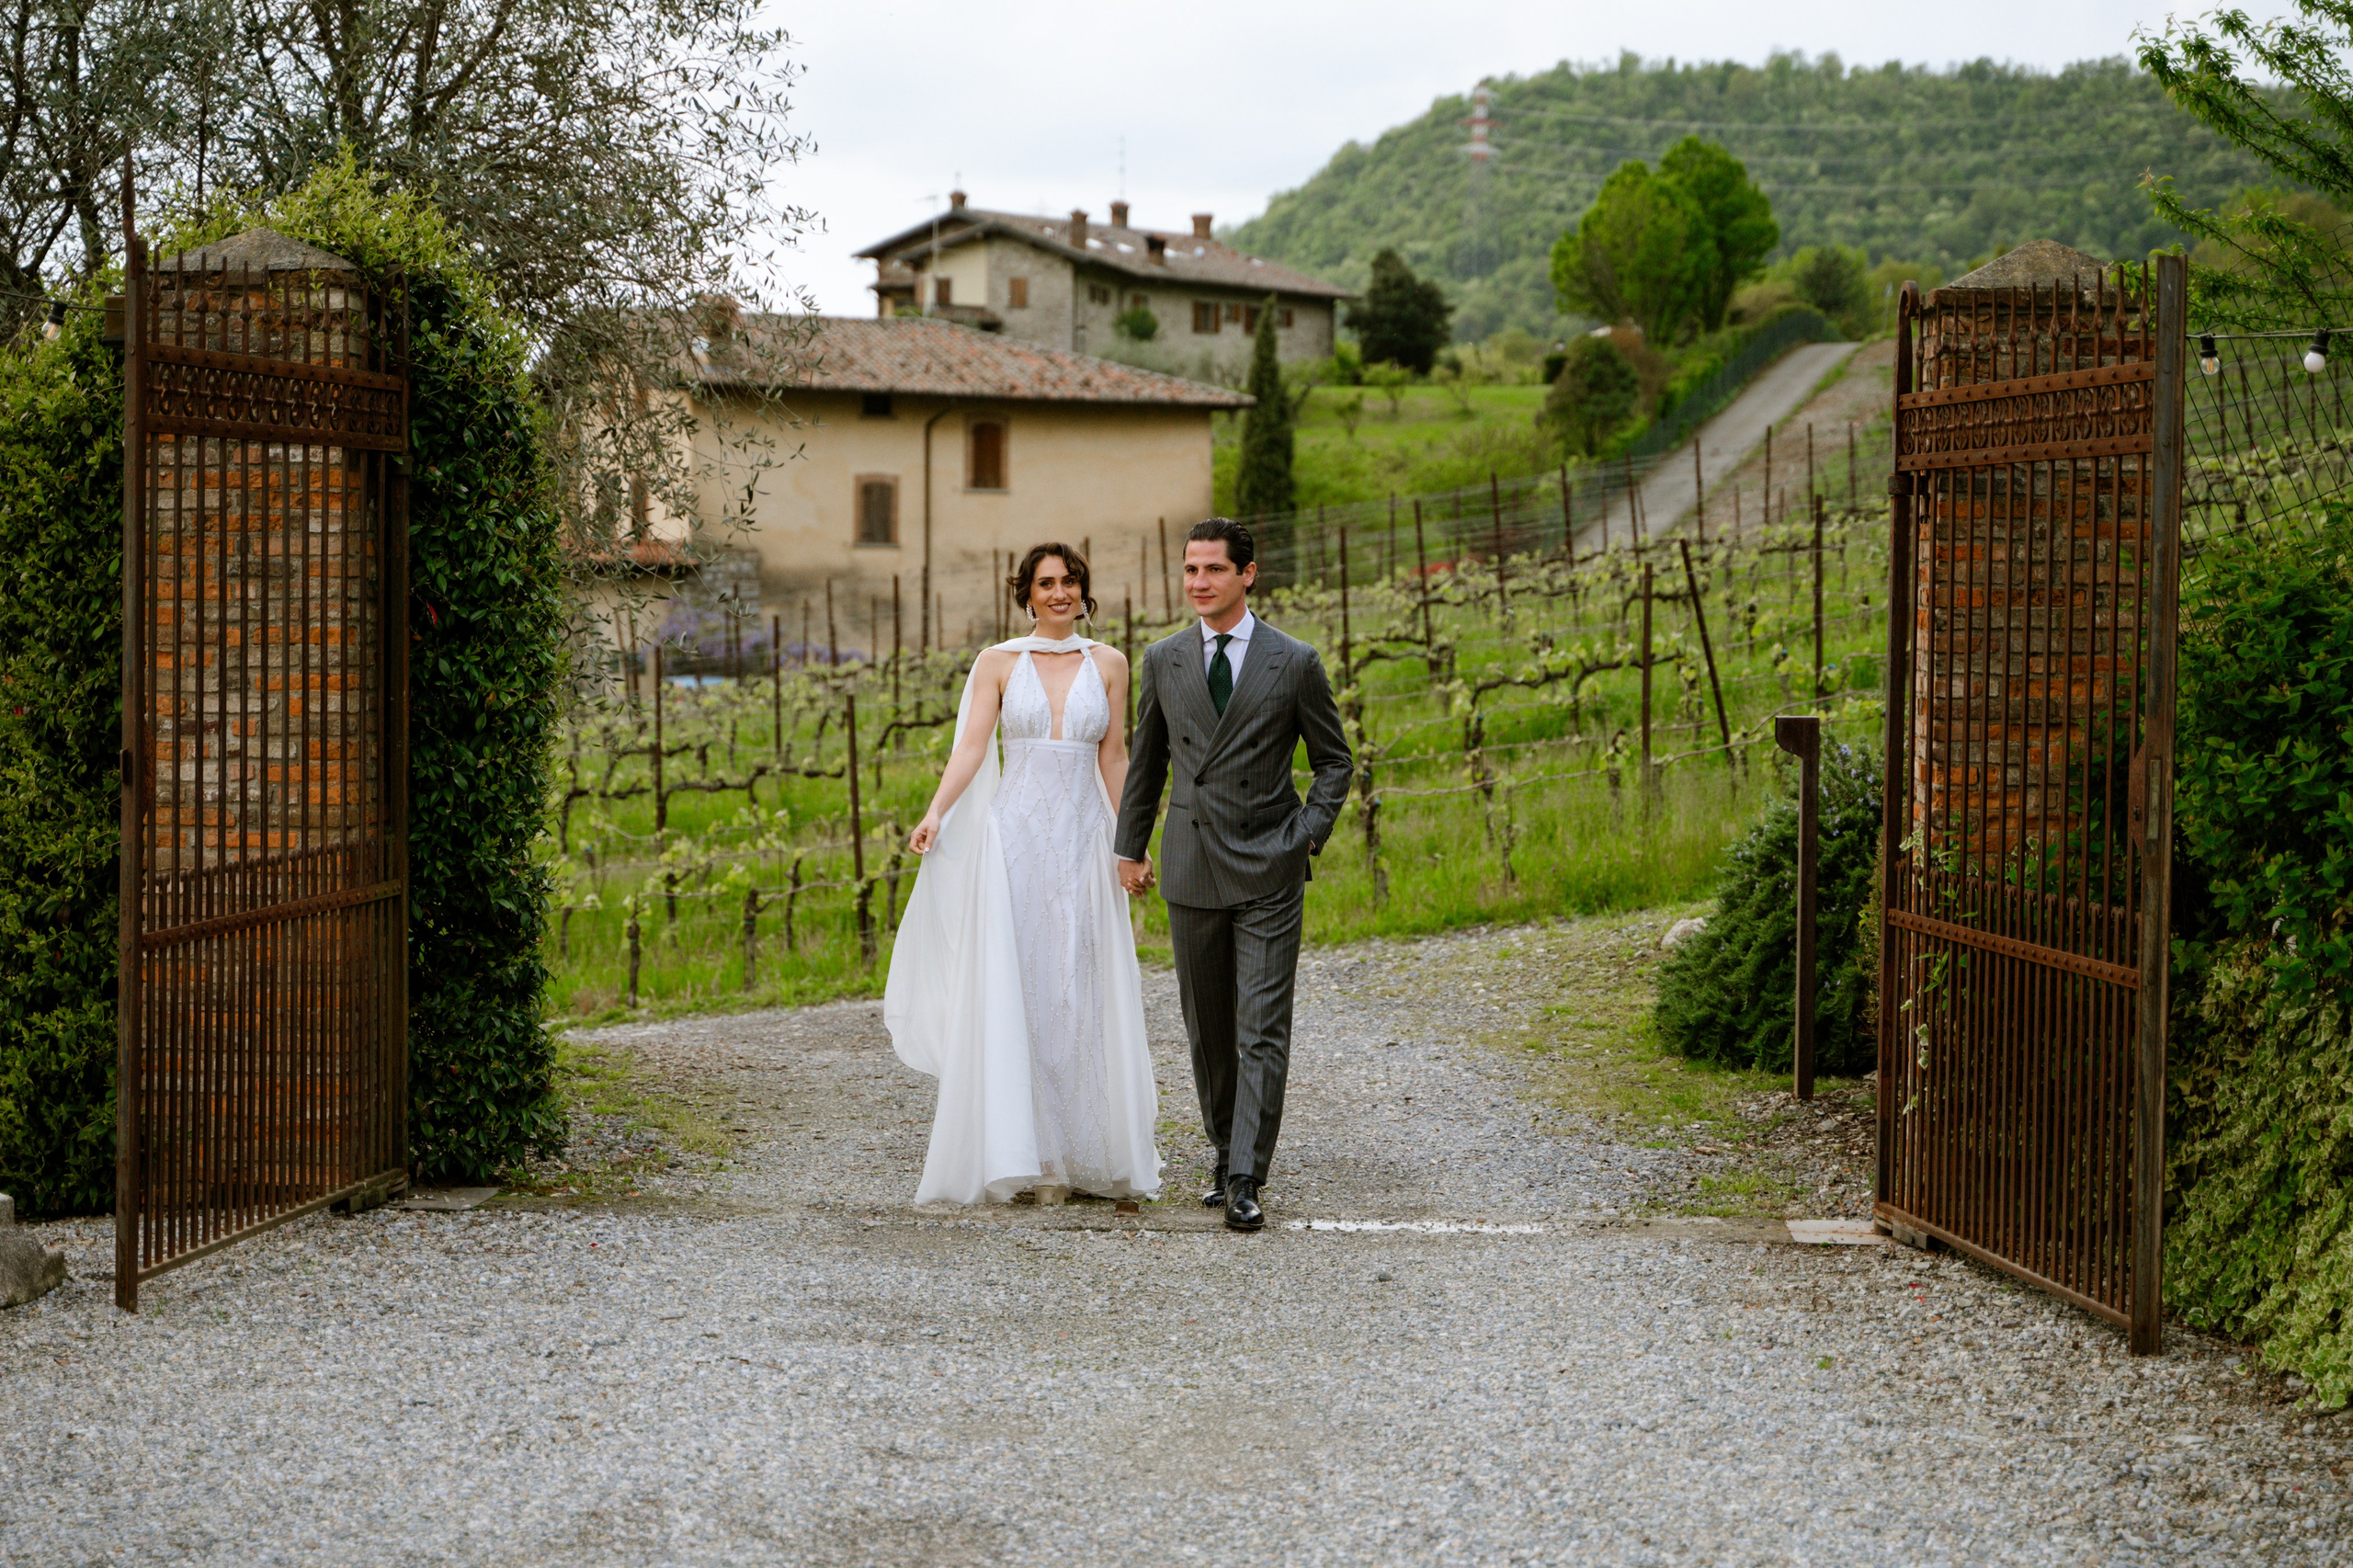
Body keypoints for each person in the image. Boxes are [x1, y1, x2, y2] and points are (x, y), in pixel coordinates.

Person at [882, 545, 1163, 1206]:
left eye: (1070, 582)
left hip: (1085, 840)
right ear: (1027, 595)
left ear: (1084, 591)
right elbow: (973, 747)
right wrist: (936, 813)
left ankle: (1086, 1149)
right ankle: (1030, 1154)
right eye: (1047, 584)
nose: (1060, 593)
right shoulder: (999, 662)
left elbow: (1115, 757)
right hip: (1016, 842)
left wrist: (1134, 843)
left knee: (1079, 986)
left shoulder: (1113, 663)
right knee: (1025, 986)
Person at [1114, 518, 1352, 1231]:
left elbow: (1335, 761)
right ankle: (1223, 1151)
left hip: (1269, 862)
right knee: (1208, 1030)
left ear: (1248, 574)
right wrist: (1130, 848)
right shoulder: (1163, 658)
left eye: (1213, 570)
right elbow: (1147, 763)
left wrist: (1306, 836)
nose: (1198, 583)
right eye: (1190, 570)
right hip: (1190, 861)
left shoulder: (1295, 660)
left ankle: (1247, 1173)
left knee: (1261, 1028)